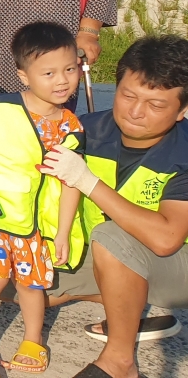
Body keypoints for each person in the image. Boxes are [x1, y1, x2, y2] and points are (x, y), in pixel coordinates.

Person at [38, 36, 188, 378]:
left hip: (177, 265)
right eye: (128, 95)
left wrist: (87, 181)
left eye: (155, 104)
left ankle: (119, 361)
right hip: (110, 257)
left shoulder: (185, 151)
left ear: (183, 110)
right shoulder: (86, 130)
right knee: (10, 282)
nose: (135, 111)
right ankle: (121, 300)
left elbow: (167, 239)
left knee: (112, 235)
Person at [0, 22, 86, 376]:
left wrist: (62, 233)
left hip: (36, 223)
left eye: (69, 69)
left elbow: (72, 181)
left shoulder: (71, 126)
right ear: (24, 75)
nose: (62, 80)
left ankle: (33, 339)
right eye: (49, 72)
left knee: (32, 282)